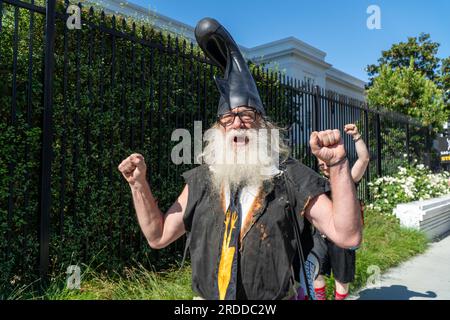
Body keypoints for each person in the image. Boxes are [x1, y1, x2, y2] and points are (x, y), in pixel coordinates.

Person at [117, 18, 362, 300]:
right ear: (217, 131)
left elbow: (347, 236)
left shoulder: (289, 176)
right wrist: (139, 185)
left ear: (263, 127)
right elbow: (157, 236)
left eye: (247, 116)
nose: (238, 124)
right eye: (228, 118)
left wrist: (339, 166)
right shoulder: (201, 180)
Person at [312, 123, 369, 300]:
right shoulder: (315, 182)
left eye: (325, 162)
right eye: (320, 163)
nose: (323, 165)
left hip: (341, 238)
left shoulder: (348, 180)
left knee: (341, 277)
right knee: (316, 271)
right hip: (319, 236)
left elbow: (364, 160)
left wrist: (357, 137)